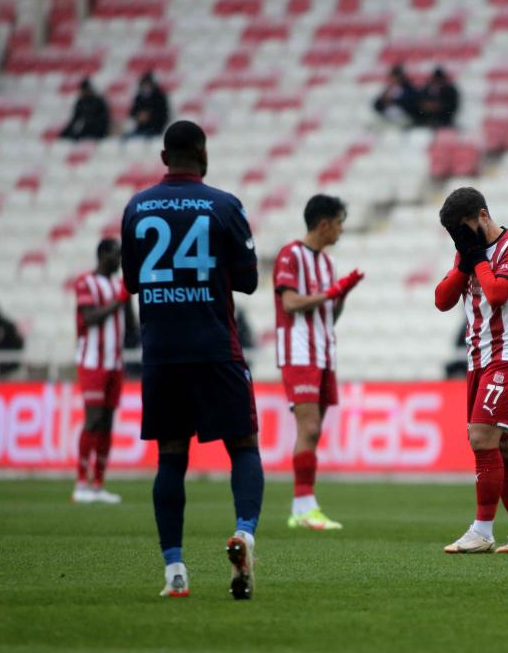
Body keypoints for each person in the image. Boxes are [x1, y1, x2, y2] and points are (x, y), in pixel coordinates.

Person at [120, 120, 262, 599]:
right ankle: (244, 532)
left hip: (162, 352)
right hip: (215, 346)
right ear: (204, 155)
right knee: (242, 444)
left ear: (164, 158)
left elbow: (132, 282)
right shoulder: (224, 205)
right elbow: (248, 281)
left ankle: (175, 570)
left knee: (170, 457)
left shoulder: (136, 207)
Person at [433, 187, 508, 554]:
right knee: (503, 446)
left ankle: (482, 532)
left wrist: (477, 259)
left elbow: (496, 294)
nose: (460, 238)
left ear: (482, 216)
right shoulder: (468, 253)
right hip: (478, 359)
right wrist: (465, 261)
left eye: (463, 228)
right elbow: (442, 300)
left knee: (480, 438)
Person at [273, 194, 364, 532]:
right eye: (339, 223)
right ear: (324, 224)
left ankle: (304, 506)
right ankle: (303, 506)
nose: (341, 230)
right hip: (298, 351)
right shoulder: (290, 255)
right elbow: (290, 302)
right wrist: (331, 293)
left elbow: (330, 314)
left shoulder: (327, 263)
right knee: (308, 428)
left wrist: (342, 295)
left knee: (315, 431)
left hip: (324, 351)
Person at [71, 243, 130, 506]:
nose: (119, 260)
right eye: (116, 255)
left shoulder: (119, 285)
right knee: (93, 419)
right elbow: (90, 317)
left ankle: (98, 484)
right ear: (103, 255)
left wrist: (127, 301)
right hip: (92, 361)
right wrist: (120, 300)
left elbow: (131, 324)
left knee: (106, 422)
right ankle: (80, 483)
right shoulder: (85, 282)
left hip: (115, 362)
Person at [128, 71, 170, 138]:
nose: (146, 87)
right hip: (140, 129)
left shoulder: (159, 97)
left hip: (155, 129)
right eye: (144, 85)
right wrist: (138, 115)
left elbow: (164, 115)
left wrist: (149, 117)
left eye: (147, 84)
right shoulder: (139, 97)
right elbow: (132, 112)